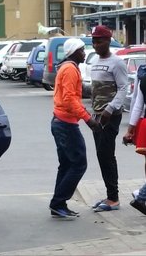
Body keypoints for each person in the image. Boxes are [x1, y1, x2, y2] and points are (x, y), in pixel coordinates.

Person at [49, 38, 99, 219]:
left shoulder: (66, 67)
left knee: (67, 165)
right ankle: (58, 202)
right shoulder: (70, 69)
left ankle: (58, 204)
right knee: (79, 164)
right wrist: (88, 119)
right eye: (82, 50)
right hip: (65, 124)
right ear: (73, 52)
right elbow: (70, 99)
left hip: (60, 121)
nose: (84, 53)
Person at [90, 25, 128, 212]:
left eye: (99, 41)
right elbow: (96, 91)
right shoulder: (95, 61)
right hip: (97, 115)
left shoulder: (117, 63)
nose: (96, 44)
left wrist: (109, 110)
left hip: (110, 117)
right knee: (101, 155)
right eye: (94, 41)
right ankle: (109, 194)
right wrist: (93, 114)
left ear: (108, 41)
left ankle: (114, 198)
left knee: (107, 155)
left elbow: (123, 88)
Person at [123, 71, 146, 214]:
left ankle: (141, 195)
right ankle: (140, 196)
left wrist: (130, 130)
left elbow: (137, 105)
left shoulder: (144, 78)